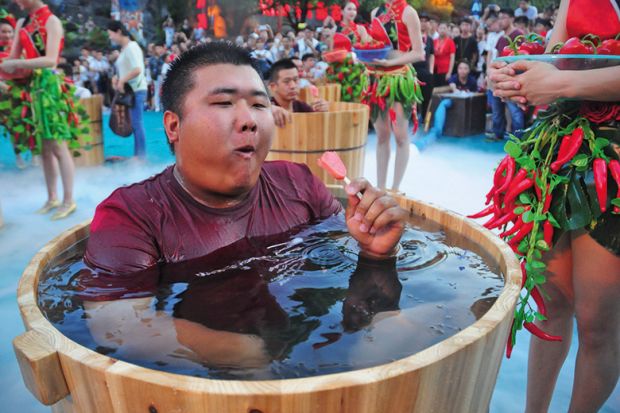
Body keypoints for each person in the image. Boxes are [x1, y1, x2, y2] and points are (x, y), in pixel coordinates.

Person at [81, 42, 407, 367]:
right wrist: (247, 353)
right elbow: (119, 328)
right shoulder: (131, 214)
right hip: (224, 371)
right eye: (223, 102)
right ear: (173, 126)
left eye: (259, 105)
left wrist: (375, 254)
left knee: (407, 328)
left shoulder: (299, 183)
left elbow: (339, 262)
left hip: (314, 336)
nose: (248, 120)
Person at [490, 0, 620, 411]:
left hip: (614, 162)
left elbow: (563, 78)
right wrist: (516, 75)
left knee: (597, 325)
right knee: (550, 305)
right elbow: (558, 54)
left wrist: (560, 85)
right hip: (558, 151)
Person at [0, 0, 88, 220]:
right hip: (31, 89)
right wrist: (9, 67)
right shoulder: (23, 21)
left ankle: (69, 200)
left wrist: (17, 65)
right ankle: (52, 198)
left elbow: (50, 61)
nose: (16, 2)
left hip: (49, 88)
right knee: (44, 147)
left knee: (58, 144)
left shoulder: (52, 21)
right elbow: (12, 57)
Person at [363, 0, 425, 193]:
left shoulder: (408, 12)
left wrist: (391, 63)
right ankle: (380, 187)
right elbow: (375, 45)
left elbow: (418, 53)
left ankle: (395, 188)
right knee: (382, 135)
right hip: (377, 78)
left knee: (400, 136)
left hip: (399, 79)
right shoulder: (376, 12)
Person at [107, 20, 148, 159]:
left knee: (137, 122)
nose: (110, 37)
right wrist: (117, 78)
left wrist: (122, 80)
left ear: (118, 31)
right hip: (131, 89)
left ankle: (140, 157)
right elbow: (127, 69)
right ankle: (138, 155)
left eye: (110, 34)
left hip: (136, 89)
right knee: (135, 123)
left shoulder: (131, 47)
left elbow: (137, 69)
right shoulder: (125, 49)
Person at [489, 8, 524, 141]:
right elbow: (496, 58)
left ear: (512, 19)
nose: (501, 20)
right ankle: (497, 133)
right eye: (499, 17)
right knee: (496, 108)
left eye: (504, 17)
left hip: (513, 77)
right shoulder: (501, 38)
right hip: (499, 77)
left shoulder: (518, 35)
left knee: (515, 110)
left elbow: (523, 58)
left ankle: (518, 138)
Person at [433, 22, 455, 87]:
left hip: (445, 70)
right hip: (435, 69)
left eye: (444, 28)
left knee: (444, 88)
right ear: (437, 29)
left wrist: (449, 72)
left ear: (447, 30)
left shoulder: (450, 42)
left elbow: (452, 58)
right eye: (441, 28)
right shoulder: (434, 41)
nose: (442, 30)